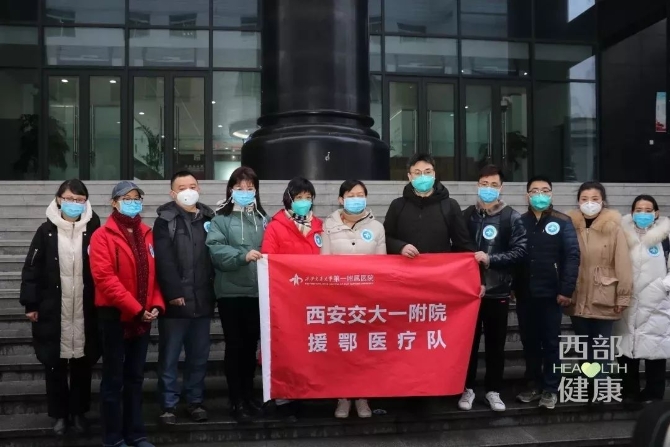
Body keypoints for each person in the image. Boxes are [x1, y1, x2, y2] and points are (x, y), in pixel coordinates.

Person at [19, 179, 101, 436]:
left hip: (85, 308)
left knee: (82, 364)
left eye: (79, 199)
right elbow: (31, 269)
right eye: (69, 198)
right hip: (54, 307)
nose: (74, 203)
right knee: (54, 364)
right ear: (58, 199)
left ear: (86, 202)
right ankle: (59, 415)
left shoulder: (95, 228)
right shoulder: (45, 231)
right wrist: (31, 303)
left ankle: (78, 412)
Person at [89, 181, 165, 447]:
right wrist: (136, 309)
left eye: (136, 198)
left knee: (135, 378)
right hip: (115, 317)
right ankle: (113, 437)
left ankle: (136, 433)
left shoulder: (146, 233)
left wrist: (155, 305)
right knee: (113, 380)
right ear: (114, 202)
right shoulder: (102, 235)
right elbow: (105, 279)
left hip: (142, 318)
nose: (133, 202)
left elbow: (155, 274)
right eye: (127, 198)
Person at [459, 165, 527, 413]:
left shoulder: (512, 217)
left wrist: (490, 259)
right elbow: (457, 248)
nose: (488, 189)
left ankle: (493, 390)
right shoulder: (467, 215)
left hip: (497, 291)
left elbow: (520, 251)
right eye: (484, 184)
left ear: (501, 188)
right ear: (477, 185)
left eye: (494, 185)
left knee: (496, 345)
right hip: (469, 293)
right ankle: (467, 389)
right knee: (468, 345)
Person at [153, 171, 216, 425]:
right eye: (182, 187)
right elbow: (164, 260)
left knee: (198, 356)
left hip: (203, 299)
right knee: (170, 355)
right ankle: (168, 405)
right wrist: (173, 292)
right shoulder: (165, 221)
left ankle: (195, 401)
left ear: (199, 189)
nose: (188, 191)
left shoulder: (209, 218)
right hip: (176, 303)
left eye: (192, 186)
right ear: (173, 193)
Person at [206, 166, 267, 422]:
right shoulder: (220, 219)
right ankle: (236, 400)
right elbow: (216, 250)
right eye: (239, 187)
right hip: (230, 293)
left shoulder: (263, 219)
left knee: (251, 347)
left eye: (250, 188)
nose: (245, 191)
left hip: (257, 292)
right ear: (230, 189)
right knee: (235, 346)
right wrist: (242, 256)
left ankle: (248, 395)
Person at [513, 176, 580, 410]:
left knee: (551, 342)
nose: (540, 195)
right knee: (529, 342)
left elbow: (572, 256)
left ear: (551, 194)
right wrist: (513, 287)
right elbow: (515, 256)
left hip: (552, 293)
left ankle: (551, 388)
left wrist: (566, 289)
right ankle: (533, 384)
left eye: (545, 190)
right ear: (527, 195)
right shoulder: (519, 221)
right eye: (535, 191)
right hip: (525, 293)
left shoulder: (563, 221)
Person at [320, 179, 386, 419]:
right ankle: (343, 397)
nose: (356, 199)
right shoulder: (328, 225)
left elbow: (382, 264)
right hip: (338, 298)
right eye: (351, 195)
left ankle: (363, 397)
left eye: (360, 195)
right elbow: (324, 262)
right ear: (341, 199)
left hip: (367, 300)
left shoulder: (377, 227)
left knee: (364, 350)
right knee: (341, 350)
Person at [261, 176, 324, 420]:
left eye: (308, 198)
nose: (304, 202)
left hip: (312, 299)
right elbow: (269, 259)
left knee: (306, 347)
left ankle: (303, 393)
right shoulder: (276, 226)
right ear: (289, 199)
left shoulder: (318, 225)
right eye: (299, 197)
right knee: (285, 347)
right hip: (285, 299)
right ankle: (283, 397)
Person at [566, 181, 632, 399]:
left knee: (601, 347)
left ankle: (600, 388)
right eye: (584, 199)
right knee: (583, 347)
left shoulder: (614, 228)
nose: (589, 203)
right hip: (577, 294)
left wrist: (623, 296)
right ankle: (587, 387)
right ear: (578, 201)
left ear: (603, 201)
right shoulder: (569, 226)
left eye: (595, 199)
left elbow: (622, 263)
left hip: (604, 295)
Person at [615, 195, 670, 404]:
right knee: (625, 348)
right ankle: (629, 392)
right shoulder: (621, 234)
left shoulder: (665, 236)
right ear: (632, 212)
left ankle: (654, 394)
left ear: (656, 213)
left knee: (655, 348)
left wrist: (661, 287)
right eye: (638, 210)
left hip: (656, 301)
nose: (643, 214)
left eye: (648, 210)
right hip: (626, 300)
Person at [384, 154, 477, 260]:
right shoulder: (398, 205)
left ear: (434, 174)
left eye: (427, 172)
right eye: (417, 173)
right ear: (409, 176)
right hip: (406, 267)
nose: (423, 177)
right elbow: (386, 238)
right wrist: (400, 247)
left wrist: (473, 258)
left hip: (439, 268)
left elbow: (462, 243)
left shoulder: (449, 205)